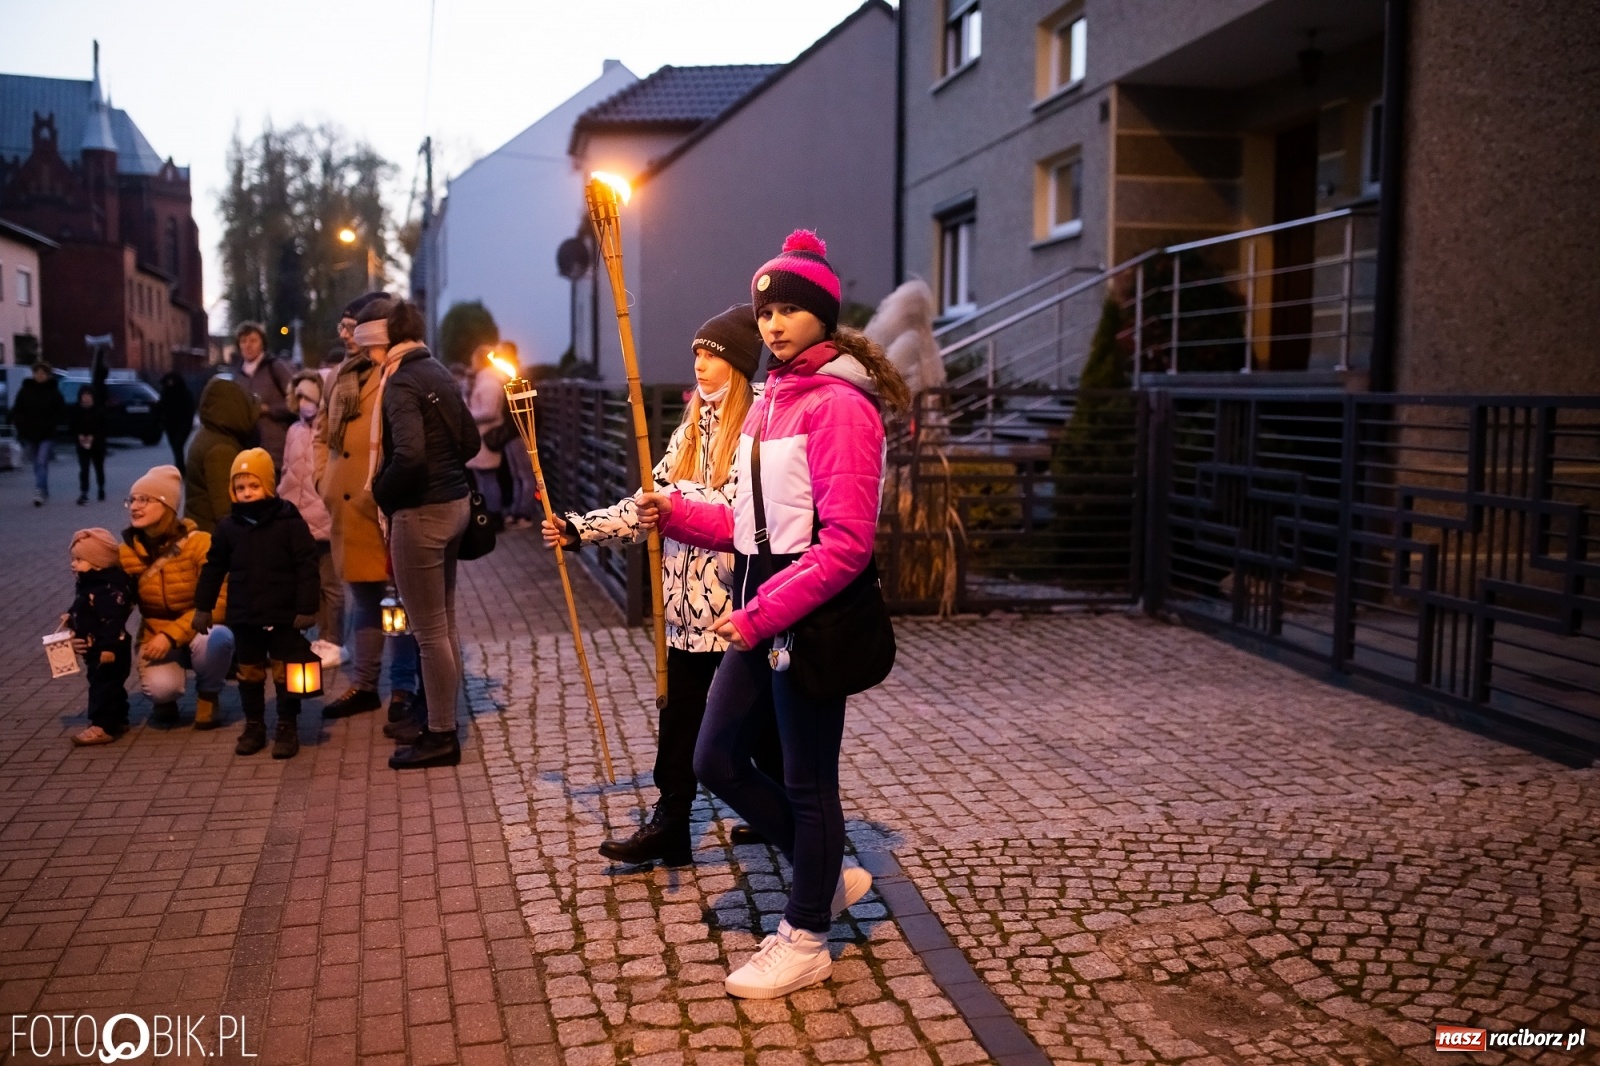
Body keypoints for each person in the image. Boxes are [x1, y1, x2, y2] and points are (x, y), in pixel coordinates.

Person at [638, 230, 911, 999]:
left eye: (791, 310)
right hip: (762, 608)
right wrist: (678, 515)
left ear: (823, 314)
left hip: (812, 617)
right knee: (714, 757)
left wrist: (759, 619)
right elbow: (750, 520)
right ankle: (822, 878)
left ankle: (806, 937)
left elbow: (848, 545)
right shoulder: (773, 400)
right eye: (766, 312)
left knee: (805, 782)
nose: (773, 325)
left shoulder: (842, 407)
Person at [544, 305, 782, 866]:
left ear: (739, 366)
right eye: (697, 354)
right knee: (679, 723)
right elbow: (648, 505)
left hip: (732, 611)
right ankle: (673, 823)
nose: (699, 365)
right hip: (681, 610)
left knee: (757, 724)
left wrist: (673, 505)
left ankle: (780, 811)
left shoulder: (756, 431)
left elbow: (742, 516)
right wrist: (581, 529)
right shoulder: (688, 431)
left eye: (713, 356)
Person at [371, 299, 480, 770]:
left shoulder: (399, 381)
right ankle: (441, 719)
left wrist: (380, 490)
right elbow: (471, 441)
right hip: (455, 505)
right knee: (445, 624)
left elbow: (410, 455)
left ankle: (440, 734)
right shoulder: (437, 370)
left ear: (386, 339)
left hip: (421, 514)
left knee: (429, 631)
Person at [314, 294, 420, 725]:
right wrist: (324, 479)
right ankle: (364, 684)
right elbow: (322, 434)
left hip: (382, 507)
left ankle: (401, 687)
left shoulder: (394, 372)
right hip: (346, 509)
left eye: (351, 325)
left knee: (398, 606)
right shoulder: (339, 376)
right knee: (362, 600)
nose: (345, 334)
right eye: (342, 326)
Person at [193, 449, 320, 759]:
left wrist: (306, 608)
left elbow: (307, 564)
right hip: (245, 615)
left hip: (284, 614)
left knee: (284, 672)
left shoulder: (288, 520)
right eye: (240, 487)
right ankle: (254, 725)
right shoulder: (228, 527)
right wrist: (203, 606)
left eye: (253, 485)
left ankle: (287, 726)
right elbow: (213, 567)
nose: (246, 493)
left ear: (267, 485)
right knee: (249, 673)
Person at [119, 464, 236, 729]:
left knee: (219, 637)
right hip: (154, 635)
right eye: (132, 500)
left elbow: (219, 602)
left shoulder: (200, 544)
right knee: (162, 689)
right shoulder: (127, 553)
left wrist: (171, 635)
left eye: (145, 500)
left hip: (196, 629)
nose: (136, 506)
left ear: (168, 506)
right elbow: (114, 599)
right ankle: (165, 700)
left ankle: (208, 694)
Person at [279, 370, 343, 669]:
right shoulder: (293, 431)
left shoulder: (329, 429)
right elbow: (286, 471)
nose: (305, 402)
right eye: (300, 396)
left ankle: (334, 641)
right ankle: (317, 635)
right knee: (307, 581)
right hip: (297, 519)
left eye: (311, 397)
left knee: (330, 583)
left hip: (324, 517)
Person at [62, 528, 136, 746]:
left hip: (109, 647)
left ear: (97, 562)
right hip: (97, 646)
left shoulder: (108, 588)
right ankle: (119, 718)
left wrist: (108, 647)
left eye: (79, 559)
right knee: (108, 683)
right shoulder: (89, 583)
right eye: (73, 559)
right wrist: (72, 616)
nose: (73, 564)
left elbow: (113, 619)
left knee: (103, 686)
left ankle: (102, 725)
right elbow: (85, 607)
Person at [183, 376, 256, 534]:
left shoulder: (209, 434)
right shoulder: (221, 449)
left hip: (201, 530)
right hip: (212, 537)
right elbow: (227, 509)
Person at [230, 322, 295, 471]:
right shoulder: (237, 376)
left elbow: (297, 403)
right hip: (247, 451)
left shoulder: (276, 367)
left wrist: (269, 409)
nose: (248, 345)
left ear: (263, 343)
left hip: (277, 451)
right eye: (243, 341)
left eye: (253, 340)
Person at [464, 345, 507, 526]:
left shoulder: (488, 383)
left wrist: (468, 415)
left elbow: (489, 412)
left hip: (485, 438)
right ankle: (492, 515)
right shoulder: (487, 381)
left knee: (488, 480)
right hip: (482, 438)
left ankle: (495, 517)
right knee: (486, 480)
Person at [12, 362, 64, 506]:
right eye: (37, 373)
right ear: (33, 374)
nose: (40, 376)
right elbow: (17, 409)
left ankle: (39, 490)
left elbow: (60, 412)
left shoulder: (53, 392)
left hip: (47, 434)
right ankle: (44, 488)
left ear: (47, 375)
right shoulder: (25, 390)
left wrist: (52, 424)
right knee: (37, 464)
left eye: (43, 373)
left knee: (41, 461)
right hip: (29, 433)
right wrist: (20, 423)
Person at [70, 385, 108, 505]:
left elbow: (104, 429)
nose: (86, 398)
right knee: (84, 468)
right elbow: (72, 427)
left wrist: (94, 437)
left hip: (97, 444)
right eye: (84, 395)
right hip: (82, 444)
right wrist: (79, 436)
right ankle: (84, 492)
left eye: (89, 395)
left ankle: (101, 488)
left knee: (98, 467)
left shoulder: (99, 411)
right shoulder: (76, 411)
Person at [157, 371, 196, 473]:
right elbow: (161, 407)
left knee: (178, 445)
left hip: (183, 424)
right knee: (175, 447)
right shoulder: (165, 393)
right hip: (170, 424)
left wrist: (189, 422)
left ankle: (180, 468)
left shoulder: (185, 393)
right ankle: (180, 466)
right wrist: (161, 420)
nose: (170, 384)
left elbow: (190, 409)